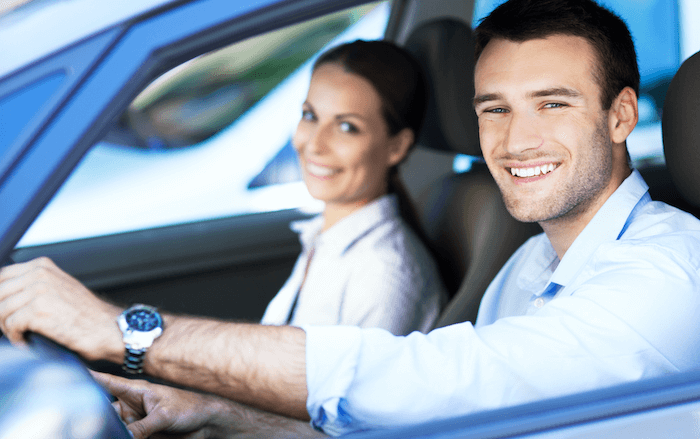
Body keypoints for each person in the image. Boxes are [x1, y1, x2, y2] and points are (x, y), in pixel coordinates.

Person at [1, 0, 700, 437]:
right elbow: (434, 423)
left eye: (552, 104)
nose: (516, 141)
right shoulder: (531, 262)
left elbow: (435, 380)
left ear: (620, 117)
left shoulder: (665, 275)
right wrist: (220, 416)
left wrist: (121, 330)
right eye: (495, 108)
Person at [260, 40, 445, 334]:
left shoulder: (382, 274)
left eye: (346, 127)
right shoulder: (328, 237)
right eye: (310, 116)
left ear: (396, 146)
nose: (315, 145)